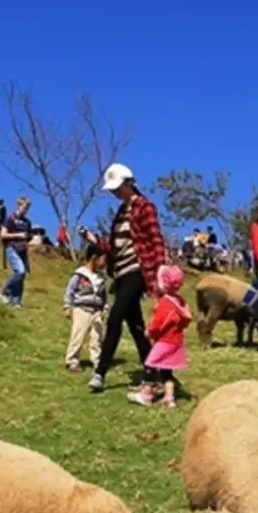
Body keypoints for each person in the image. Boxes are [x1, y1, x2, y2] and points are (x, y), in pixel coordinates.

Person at [83, 163, 165, 394]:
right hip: (120, 273)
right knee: (136, 325)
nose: (115, 192)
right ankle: (153, 370)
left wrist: (159, 272)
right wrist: (93, 241)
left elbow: (156, 239)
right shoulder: (121, 212)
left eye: (118, 187)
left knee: (114, 317)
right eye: (113, 189)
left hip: (138, 270)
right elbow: (114, 246)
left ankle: (100, 372)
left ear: (130, 183)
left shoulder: (145, 207)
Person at [129, 265, 191, 408]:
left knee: (150, 365)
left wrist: (149, 332)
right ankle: (169, 397)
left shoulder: (165, 303)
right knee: (166, 369)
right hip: (176, 341)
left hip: (164, 341)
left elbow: (158, 323)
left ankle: (146, 394)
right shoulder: (179, 302)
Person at [63, 246, 108, 373]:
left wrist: (105, 308)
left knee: (97, 337)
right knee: (78, 335)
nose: (105, 263)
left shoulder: (100, 277)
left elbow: (104, 295)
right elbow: (70, 291)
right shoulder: (79, 275)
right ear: (94, 258)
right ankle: (72, 360)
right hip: (81, 309)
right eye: (103, 259)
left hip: (97, 311)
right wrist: (67, 306)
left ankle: (97, 361)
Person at [0, 198, 32, 309]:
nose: (26, 210)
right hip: (11, 247)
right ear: (18, 206)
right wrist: (18, 235)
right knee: (20, 271)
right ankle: (5, 292)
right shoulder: (11, 218)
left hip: (22, 250)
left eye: (27, 208)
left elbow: (28, 236)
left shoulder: (28, 222)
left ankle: (16, 301)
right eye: (24, 207)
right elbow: (3, 235)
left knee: (22, 276)